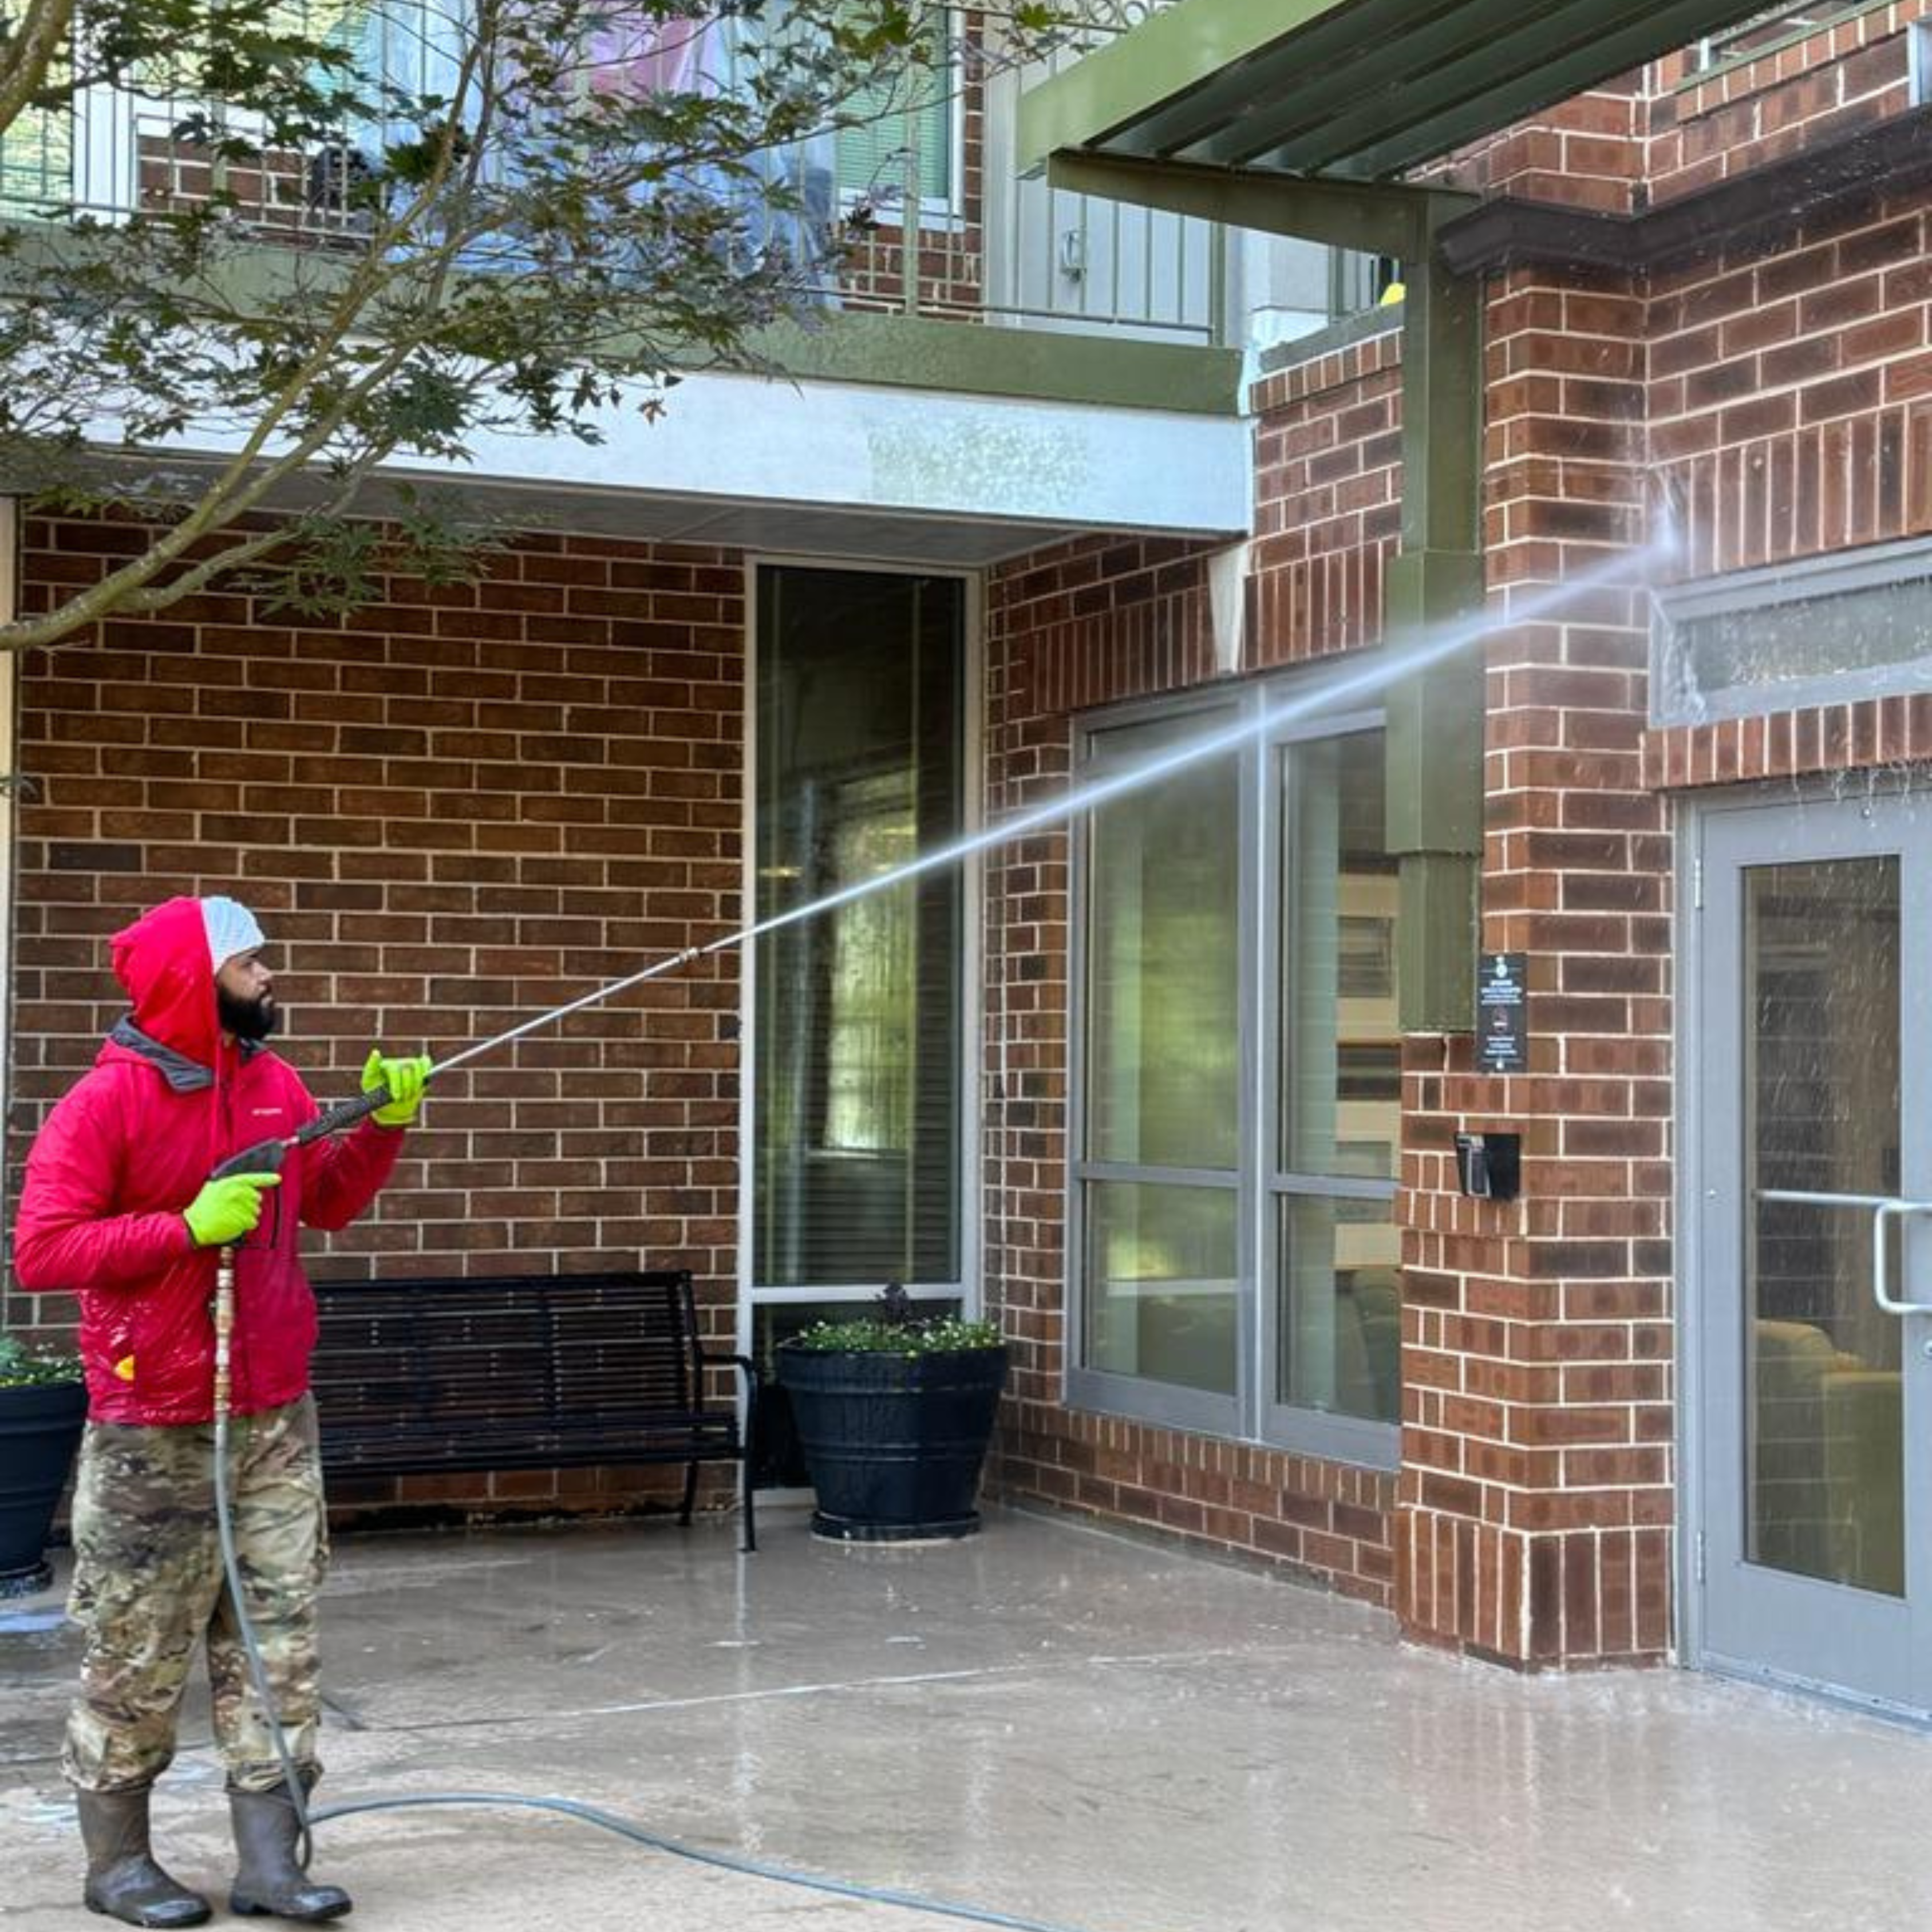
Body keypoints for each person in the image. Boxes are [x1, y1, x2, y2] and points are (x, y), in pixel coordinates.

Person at [14, 895, 432, 1928]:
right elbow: (43, 1248)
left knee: (279, 1644)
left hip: (272, 1418)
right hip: (152, 1422)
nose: (269, 978)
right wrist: (183, 1226)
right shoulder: (102, 1106)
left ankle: (270, 1865)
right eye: (251, 965)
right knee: (136, 1649)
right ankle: (117, 1867)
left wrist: (381, 1124)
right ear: (192, 986)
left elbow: (324, 1199)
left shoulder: (275, 1083)